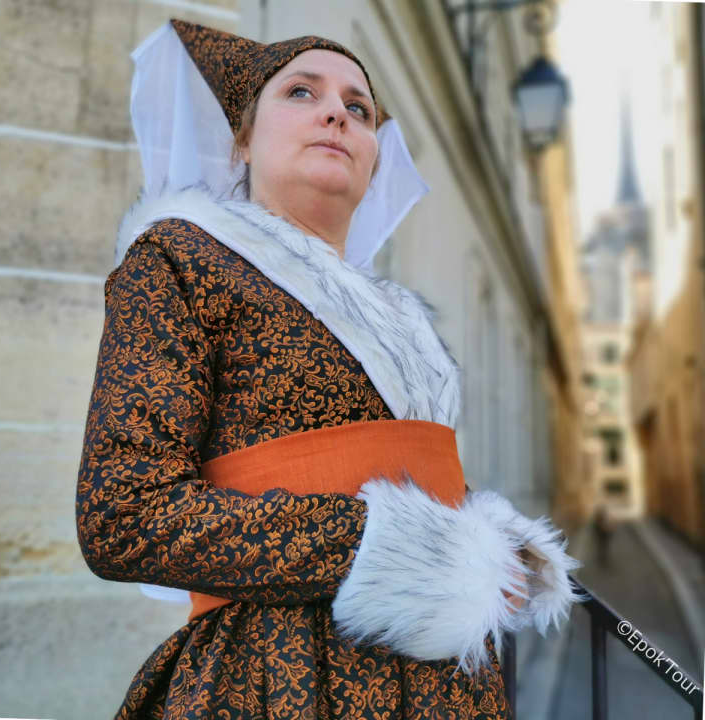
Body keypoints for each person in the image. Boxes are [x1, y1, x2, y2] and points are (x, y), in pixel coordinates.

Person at [75, 18, 585, 720]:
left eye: (359, 108)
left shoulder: (402, 324)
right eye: (301, 92)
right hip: (278, 675)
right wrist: (384, 546)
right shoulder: (180, 260)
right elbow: (124, 515)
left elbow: (413, 487)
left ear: (374, 159)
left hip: (448, 690)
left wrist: (488, 542)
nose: (336, 114)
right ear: (243, 141)